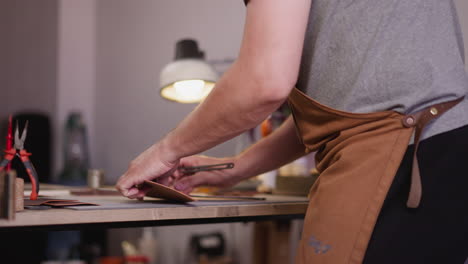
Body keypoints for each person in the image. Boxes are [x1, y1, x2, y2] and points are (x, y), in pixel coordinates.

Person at [117, 0, 468, 263]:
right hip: (445, 148)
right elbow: (342, 111)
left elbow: (264, 83)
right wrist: (236, 168)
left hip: (404, 160)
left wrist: (164, 151)